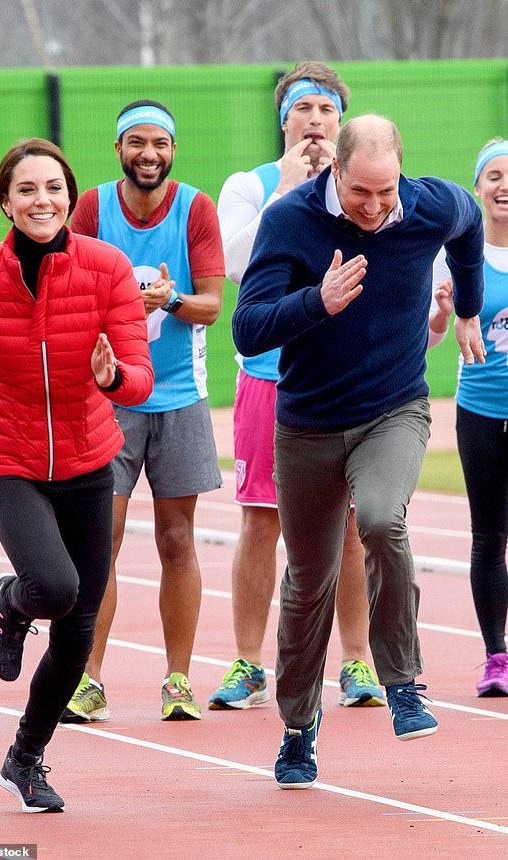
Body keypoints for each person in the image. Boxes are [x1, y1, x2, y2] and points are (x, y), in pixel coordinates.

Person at [232, 114, 485, 788]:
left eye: (386, 191)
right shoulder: (289, 221)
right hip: (308, 421)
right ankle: (296, 729)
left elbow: (468, 230)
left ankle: (401, 682)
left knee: (381, 517)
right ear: (335, 172)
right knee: (308, 583)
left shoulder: (431, 202)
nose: (374, 208)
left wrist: (468, 308)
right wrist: (316, 302)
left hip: (393, 410)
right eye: (359, 193)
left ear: (403, 170)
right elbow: (249, 326)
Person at [0, 138, 154, 812]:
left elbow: (138, 374)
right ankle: (11, 602)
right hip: (10, 462)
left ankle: (25, 757)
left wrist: (114, 377)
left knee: (77, 629)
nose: (42, 201)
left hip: (88, 461)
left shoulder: (106, 269)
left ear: (70, 196)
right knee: (54, 586)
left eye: (53, 188)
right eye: (27, 190)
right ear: (6, 203)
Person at [211, 60, 384, 712]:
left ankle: (359, 661)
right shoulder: (249, 185)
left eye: (327, 111)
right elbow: (235, 264)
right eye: (304, 110)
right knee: (261, 521)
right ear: (284, 118)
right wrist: (286, 188)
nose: (315, 122)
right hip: (268, 376)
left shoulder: (360, 188)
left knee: (348, 525)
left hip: (343, 376)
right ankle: (250, 665)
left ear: (342, 122)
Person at [61, 100, 225, 723]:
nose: (148, 154)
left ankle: (178, 680)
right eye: (137, 143)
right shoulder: (94, 208)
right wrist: (120, 299)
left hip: (179, 395)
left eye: (159, 143)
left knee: (176, 539)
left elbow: (212, 305)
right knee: (99, 543)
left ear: (173, 150)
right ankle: (89, 677)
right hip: (108, 397)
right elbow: (66, 283)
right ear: (118, 149)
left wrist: (171, 297)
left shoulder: (196, 209)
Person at [429, 139, 508, 697]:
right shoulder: (459, 254)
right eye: (494, 176)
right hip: (479, 410)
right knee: (489, 536)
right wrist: (438, 310)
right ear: (478, 188)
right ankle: (496, 657)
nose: (505, 185)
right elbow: (433, 333)